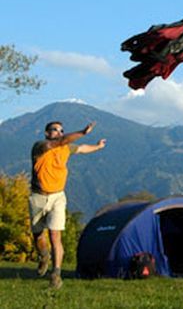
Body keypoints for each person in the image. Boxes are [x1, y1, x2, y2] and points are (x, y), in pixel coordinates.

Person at [29, 121, 106, 289]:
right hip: (38, 197)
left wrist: (97, 147)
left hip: (57, 196)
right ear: (47, 133)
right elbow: (62, 141)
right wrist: (82, 131)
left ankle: (56, 274)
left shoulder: (66, 148)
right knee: (38, 235)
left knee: (55, 236)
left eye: (61, 130)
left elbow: (81, 148)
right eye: (55, 130)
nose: (59, 132)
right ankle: (43, 256)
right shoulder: (40, 146)